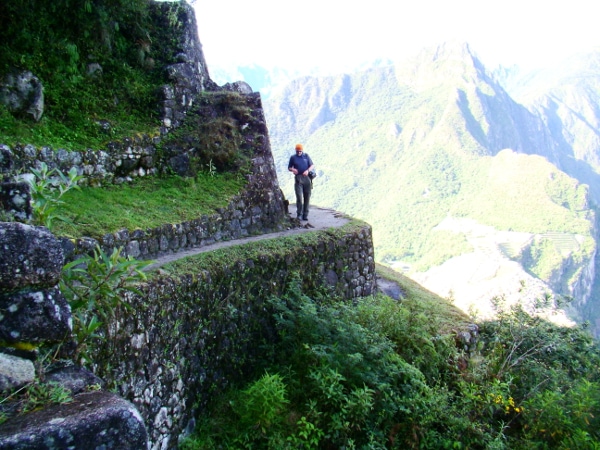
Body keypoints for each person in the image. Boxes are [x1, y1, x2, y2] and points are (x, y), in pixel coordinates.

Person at [288, 143, 314, 220]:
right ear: (296, 150)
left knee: (307, 197)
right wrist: (293, 169)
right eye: (297, 151)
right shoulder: (293, 157)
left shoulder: (306, 156)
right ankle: (299, 214)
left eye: (300, 151)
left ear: (302, 150)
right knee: (299, 197)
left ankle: (305, 215)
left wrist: (307, 170)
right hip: (298, 178)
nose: (299, 152)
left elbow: (312, 165)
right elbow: (289, 167)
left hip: (307, 178)